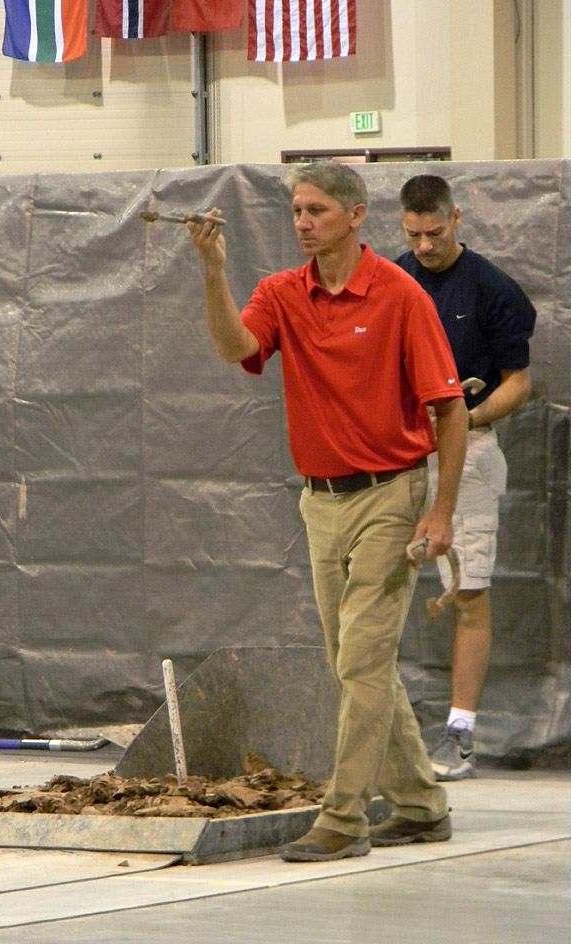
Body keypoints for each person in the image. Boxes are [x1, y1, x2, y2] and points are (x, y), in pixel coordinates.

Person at [186, 162, 468, 862]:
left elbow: (450, 407)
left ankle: (343, 818)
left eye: (315, 210)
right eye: (296, 211)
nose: (302, 222)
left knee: (364, 661)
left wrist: (442, 511)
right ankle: (421, 804)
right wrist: (213, 273)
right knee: (353, 661)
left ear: (353, 215)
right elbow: (234, 348)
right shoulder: (281, 293)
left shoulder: (401, 295)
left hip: (391, 494)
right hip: (322, 500)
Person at [397, 174, 536, 781]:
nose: (424, 246)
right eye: (413, 234)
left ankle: (460, 732)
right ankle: (375, 730)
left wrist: (463, 420)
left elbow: (519, 382)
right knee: (367, 589)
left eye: (434, 232)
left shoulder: (492, 290)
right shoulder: (390, 279)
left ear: (456, 219)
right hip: (390, 452)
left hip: (469, 449)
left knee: (469, 591)